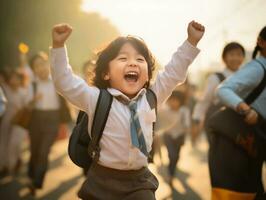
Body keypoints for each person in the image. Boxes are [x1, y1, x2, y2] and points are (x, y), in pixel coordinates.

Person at [50, 20, 204, 200]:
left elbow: (173, 73)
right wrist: (59, 46)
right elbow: (64, 82)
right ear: (105, 74)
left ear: (147, 75)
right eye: (123, 58)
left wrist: (191, 42)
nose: (133, 63)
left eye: (140, 59)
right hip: (103, 179)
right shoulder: (96, 98)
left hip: (139, 181)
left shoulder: (151, 97)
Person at [211, 26, 266, 199]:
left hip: (258, 136)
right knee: (243, 191)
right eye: (231, 54)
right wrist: (246, 109)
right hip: (243, 135)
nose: (235, 58)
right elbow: (223, 89)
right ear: (261, 43)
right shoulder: (258, 67)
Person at [27, 52, 71, 195]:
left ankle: (37, 182)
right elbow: (26, 107)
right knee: (34, 151)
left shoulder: (56, 82)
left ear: (48, 65)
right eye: (37, 66)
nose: (41, 68)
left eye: (43, 64)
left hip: (53, 120)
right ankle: (31, 175)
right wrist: (33, 100)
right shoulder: (32, 85)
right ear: (33, 69)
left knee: (44, 152)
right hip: (36, 119)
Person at [191, 42, 245, 145]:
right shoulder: (216, 77)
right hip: (219, 123)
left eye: (239, 54)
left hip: (240, 123)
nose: (236, 58)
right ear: (224, 58)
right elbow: (205, 100)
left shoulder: (247, 77)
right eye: (232, 54)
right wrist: (196, 119)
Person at [158, 91, 190, 187]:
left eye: (175, 101)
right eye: (171, 100)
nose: (173, 103)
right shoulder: (165, 110)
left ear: (180, 101)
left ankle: (172, 172)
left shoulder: (184, 111)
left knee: (176, 157)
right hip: (168, 136)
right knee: (171, 155)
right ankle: (171, 175)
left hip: (179, 136)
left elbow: (187, 125)